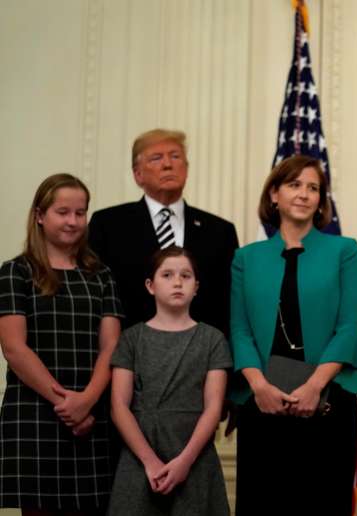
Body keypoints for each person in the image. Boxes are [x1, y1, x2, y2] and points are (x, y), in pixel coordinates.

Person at [230, 155, 357, 515]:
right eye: (294, 185)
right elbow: (239, 329)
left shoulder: (344, 251)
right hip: (264, 402)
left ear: (321, 201)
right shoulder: (246, 258)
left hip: (328, 404)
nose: (304, 194)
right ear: (274, 195)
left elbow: (350, 325)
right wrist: (259, 387)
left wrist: (314, 386)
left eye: (313, 188)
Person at [0, 173, 123, 515]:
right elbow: (14, 348)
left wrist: (86, 401)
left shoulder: (101, 275)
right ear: (40, 215)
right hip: (35, 414)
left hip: (92, 412)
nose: (73, 221)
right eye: (63, 211)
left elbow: (111, 346)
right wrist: (67, 405)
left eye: (80, 213)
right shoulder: (16, 272)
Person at [107, 246, 231, 516]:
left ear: (196, 287)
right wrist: (150, 461)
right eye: (167, 275)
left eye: (186, 276)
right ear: (150, 286)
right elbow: (118, 405)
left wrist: (184, 462)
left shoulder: (213, 340)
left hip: (194, 457)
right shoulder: (131, 339)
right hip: (141, 456)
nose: (177, 282)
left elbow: (213, 408)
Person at [89, 128, 239, 334]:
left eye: (176, 156)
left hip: (203, 354)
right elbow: (96, 298)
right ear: (138, 175)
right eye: (156, 158)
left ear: (186, 169)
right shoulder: (108, 225)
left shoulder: (220, 231)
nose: (168, 164)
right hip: (129, 350)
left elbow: (228, 304)